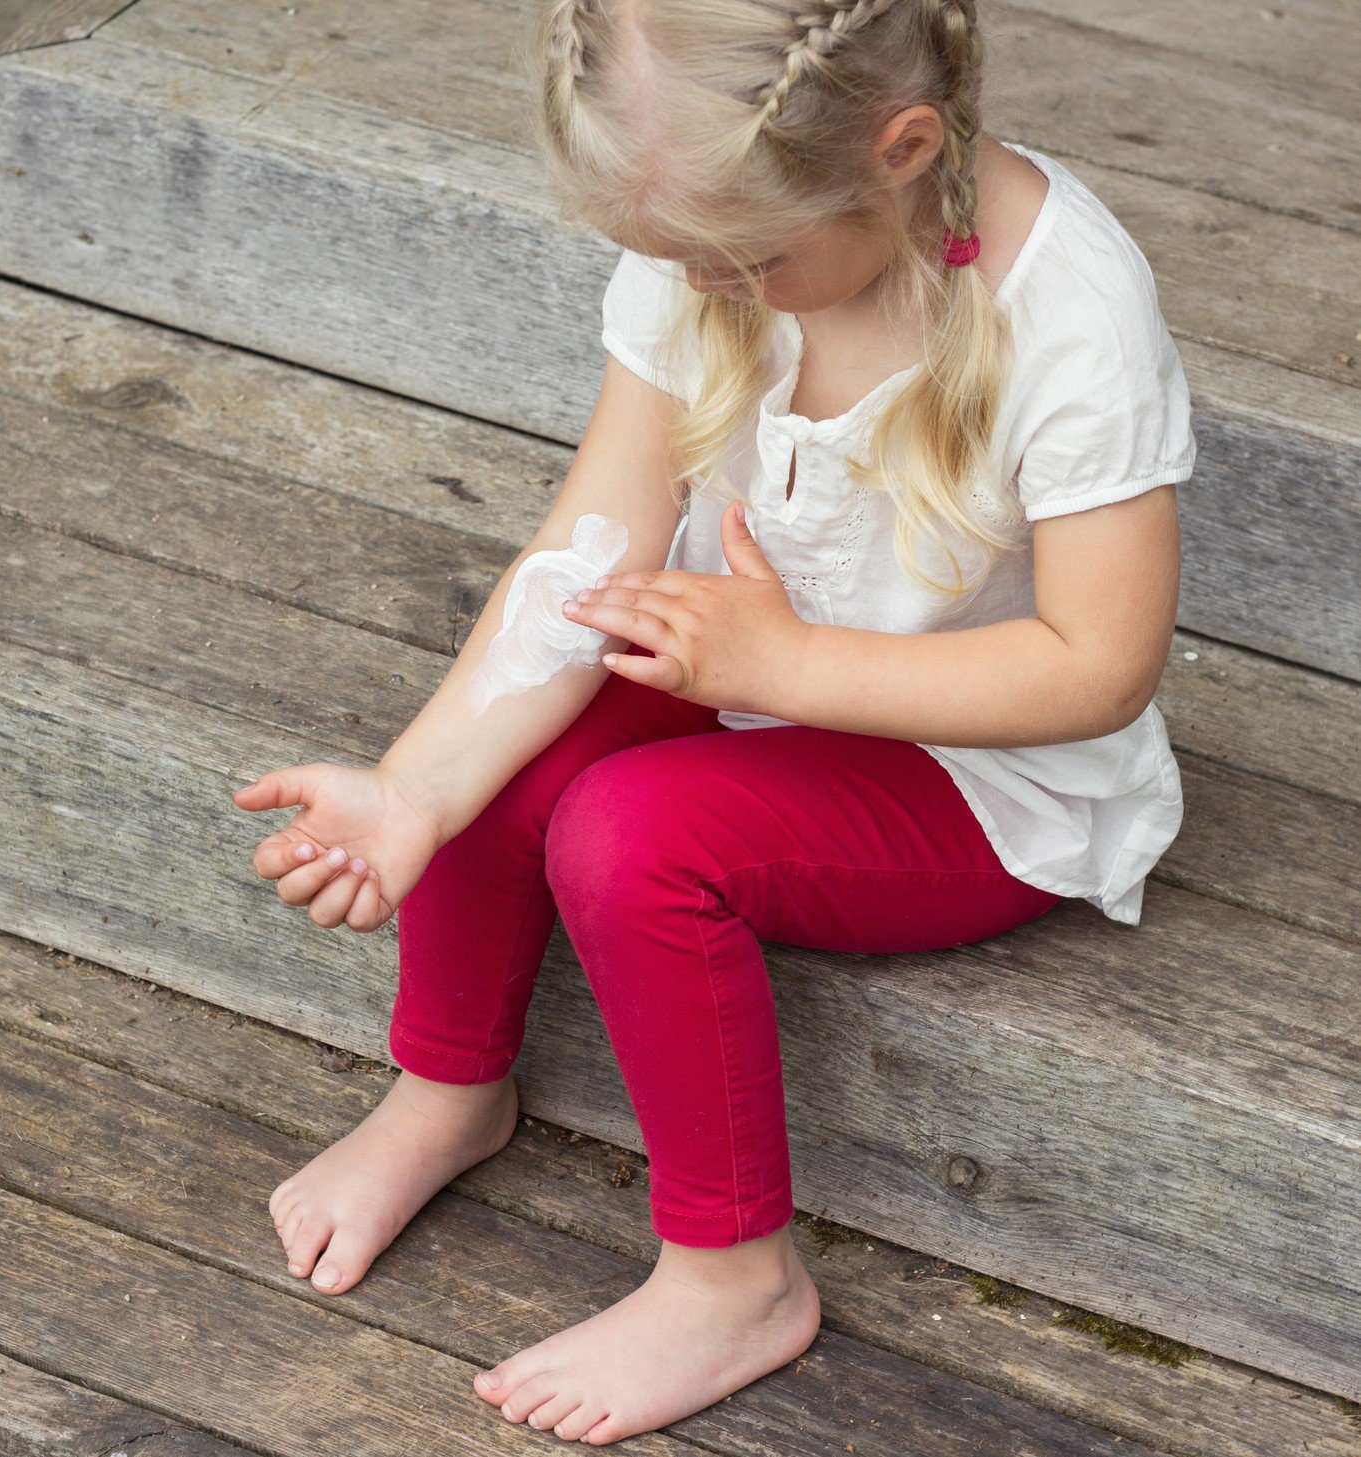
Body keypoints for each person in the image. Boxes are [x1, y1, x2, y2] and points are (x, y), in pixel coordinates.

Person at [231, 0, 1195, 1443]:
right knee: (537, 701)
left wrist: (793, 664)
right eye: (677, 257)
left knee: (630, 834)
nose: (706, 287)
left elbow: (1096, 665)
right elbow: (591, 542)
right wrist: (416, 790)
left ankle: (733, 1272)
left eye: (742, 260)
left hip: (983, 775)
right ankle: (446, 1087)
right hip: (753, 668)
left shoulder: (1067, 307)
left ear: (901, 149)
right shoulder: (710, 239)